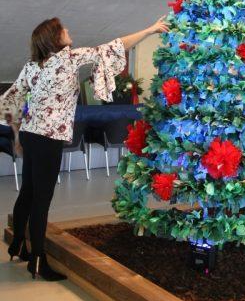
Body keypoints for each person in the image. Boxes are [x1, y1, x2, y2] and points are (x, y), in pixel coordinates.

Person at [0, 16, 167, 280]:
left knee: (29, 193)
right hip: (48, 140)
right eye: (62, 29)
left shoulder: (31, 66)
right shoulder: (69, 58)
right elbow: (117, 45)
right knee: (41, 200)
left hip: (32, 136)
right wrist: (150, 30)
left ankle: (18, 244)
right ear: (54, 38)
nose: (67, 30)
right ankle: (38, 261)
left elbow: (12, 97)